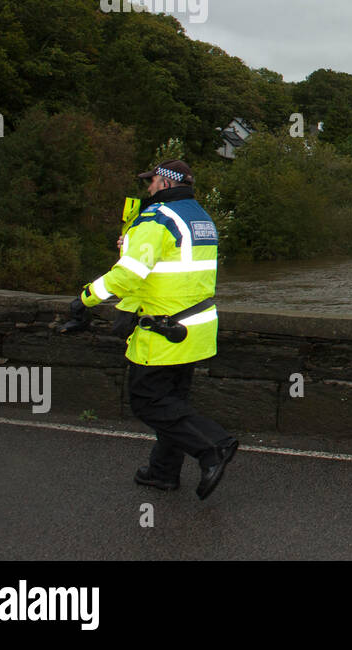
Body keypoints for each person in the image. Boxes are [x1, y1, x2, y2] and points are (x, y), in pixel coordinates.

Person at [66, 159, 238, 499]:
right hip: (196, 329)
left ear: (167, 183)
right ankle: (162, 472)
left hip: (163, 331)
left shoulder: (157, 218)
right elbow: (171, 268)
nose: (148, 188)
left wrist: (84, 300)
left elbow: (128, 275)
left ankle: (213, 446)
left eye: (153, 181)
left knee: (148, 402)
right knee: (172, 401)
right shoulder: (202, 218)